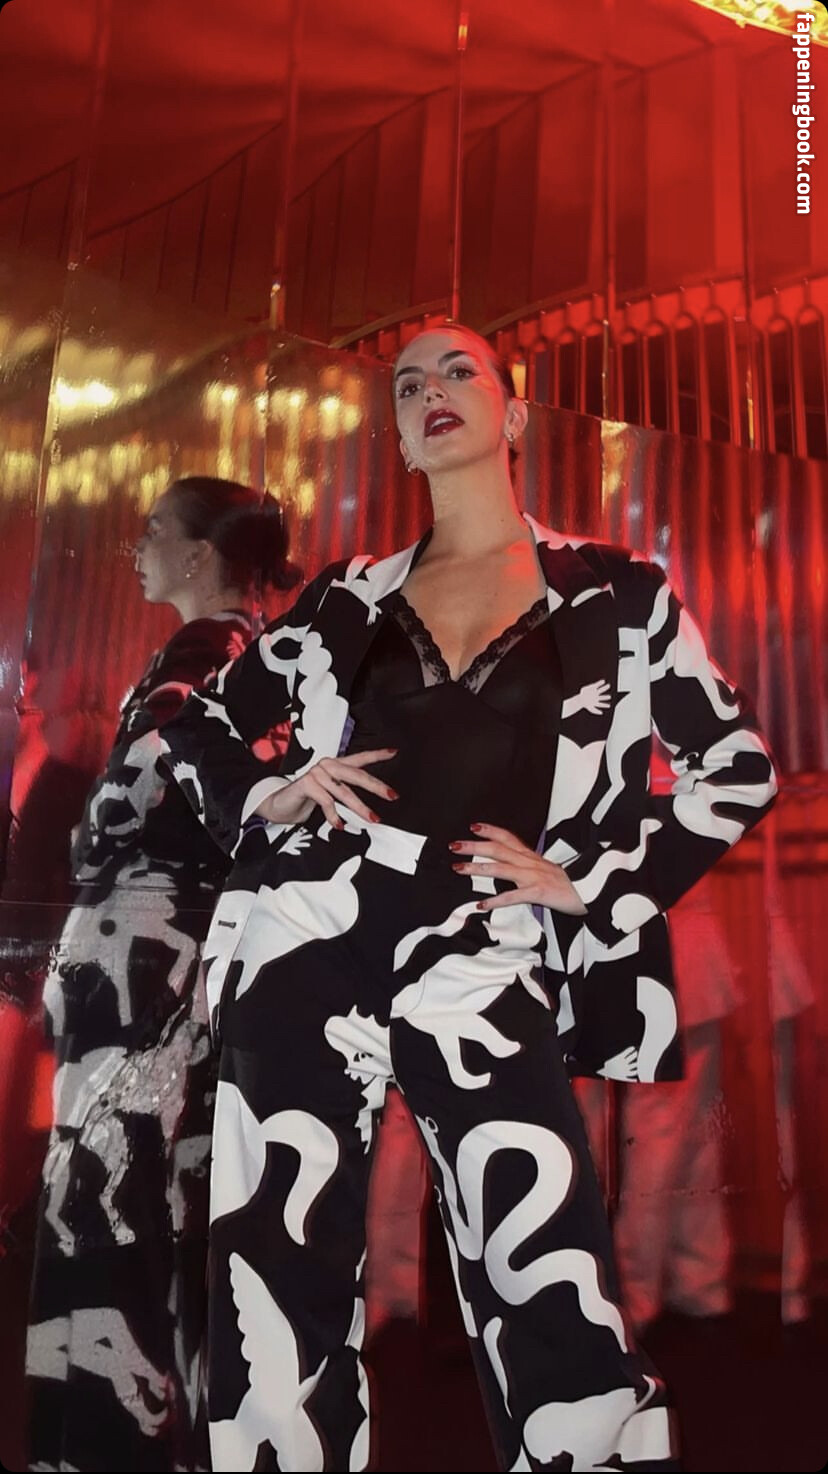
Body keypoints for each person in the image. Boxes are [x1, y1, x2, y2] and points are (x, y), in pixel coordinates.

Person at [159, 325, 778, 1473]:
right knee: (274, 1267)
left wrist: (588, 883)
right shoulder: (349, 596)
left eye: (459, 372)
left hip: (482, 945)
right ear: (400, 438)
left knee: (544, 1269)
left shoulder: (615, 591)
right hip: (312, 926)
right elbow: (196, 719)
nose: (431, 391)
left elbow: (735, 769)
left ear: (514, 413)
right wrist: (273, 792)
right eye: (408, 385)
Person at [25, 476, 300, 1473]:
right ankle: (154, 1439)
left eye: (152, 533)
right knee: (156, 1204)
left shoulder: (202, 656)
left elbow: (129, 799)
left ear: (198, 556)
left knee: (104, 1203)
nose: (136, 550)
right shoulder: (250, 652)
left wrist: (81, 855)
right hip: (179, 958)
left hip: (141, 959)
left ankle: (106, 1445)